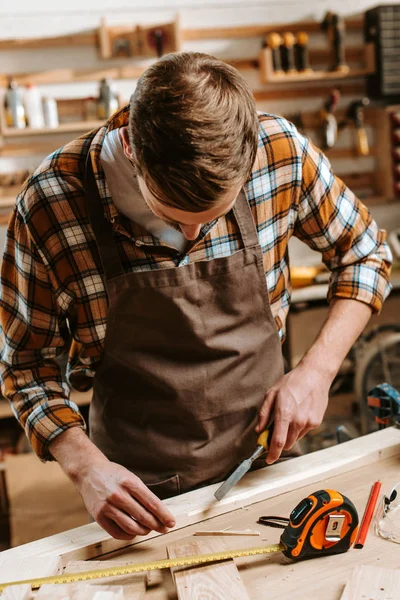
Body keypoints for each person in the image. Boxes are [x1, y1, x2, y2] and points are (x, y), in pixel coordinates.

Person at [0, 52, 392, 541]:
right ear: (131, 149)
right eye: (172, 213)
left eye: (213, 214)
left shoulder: (280, 153)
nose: (193, 232)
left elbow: (365, 251)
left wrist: (317, 371)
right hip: (138, 491)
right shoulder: (51, 203)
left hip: (271, 459)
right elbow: (25, 365)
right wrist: (86, 469)